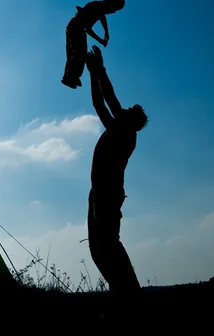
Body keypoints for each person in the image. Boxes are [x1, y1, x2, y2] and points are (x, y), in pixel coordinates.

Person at [85, 45, 148, 299]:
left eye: (129, 110)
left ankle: (129, 293)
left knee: (106, 244)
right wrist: (96, 72)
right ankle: (122, 291)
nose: (124, 109)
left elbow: (107, 100)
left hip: (107, 194)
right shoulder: (118, 129)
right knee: (100, 246)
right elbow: (104, 102)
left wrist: (98, 71)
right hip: (101, 192)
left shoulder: (124, 134)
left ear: (132, 120)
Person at [61, 0, 125, 89]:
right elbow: (96, 21)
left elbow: (94, 24)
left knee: (76, 53)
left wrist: (104, 35)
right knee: (79, 53)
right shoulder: (96, 6)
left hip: (76, 28)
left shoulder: (97, 9)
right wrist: (103, 34)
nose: (114, 12)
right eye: (115, 9)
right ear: (111, 4)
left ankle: (71, 75)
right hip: (76, 28)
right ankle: (71, 76)